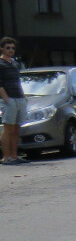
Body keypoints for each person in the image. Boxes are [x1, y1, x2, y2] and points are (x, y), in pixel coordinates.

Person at [0, 37, 27, 165]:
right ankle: (6, 157)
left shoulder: (15, 63)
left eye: (13, 48)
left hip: (20, 98)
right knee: (8, 129)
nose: (11, 50)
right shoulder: (0, 64)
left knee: (16, 129)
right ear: (2, 48)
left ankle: (14, 156)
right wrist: (6, 99)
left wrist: (23, 97)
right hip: (8, 99)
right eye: (8, 48)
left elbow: (17, 81)